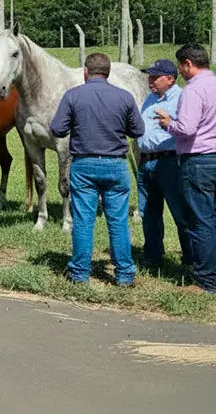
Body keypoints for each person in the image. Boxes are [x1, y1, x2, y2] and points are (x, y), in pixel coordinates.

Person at [50, 52, 144, 287]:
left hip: (84, 164)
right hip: (116, 164)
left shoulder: (73, 95)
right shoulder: (124, 96)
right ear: (108, 72)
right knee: (118, 221)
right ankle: (124, 274)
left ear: (85, 71)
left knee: (83, 220)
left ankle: (80, 273)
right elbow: (138, 130)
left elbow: (57, 129)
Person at [156, 44, 216, 294]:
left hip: (198, 158)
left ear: (189, 63)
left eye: (181, 66)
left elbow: (187, 129)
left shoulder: (193, 90)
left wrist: (169, 124)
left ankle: (205, 280)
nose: (180, 70)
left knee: (201, 220)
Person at [137, 59, 192, 272]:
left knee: (181, 213)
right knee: (148, 212)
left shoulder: (182, 98)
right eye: (149, 76)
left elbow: (187, 128)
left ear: (170, 79)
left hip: (170, 161)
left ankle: (190, 258)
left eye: (154, 76)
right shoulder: (150, 98)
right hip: (147, 162)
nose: (150, 80)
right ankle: (152, 256)